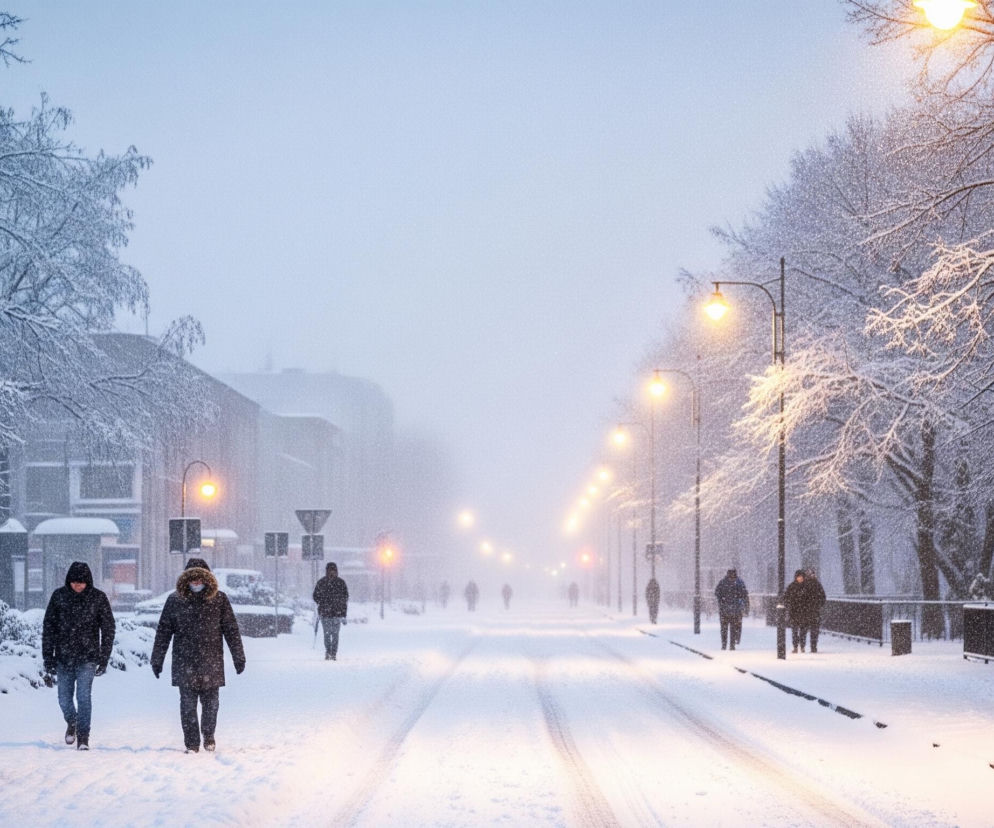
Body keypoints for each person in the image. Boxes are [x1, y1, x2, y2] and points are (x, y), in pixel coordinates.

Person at [150, 558, 246, 753]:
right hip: (184, 661)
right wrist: (157, 659)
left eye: (199, 579)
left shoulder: (219, 599)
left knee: (211, 704)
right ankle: (192, 743)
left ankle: (209, 735)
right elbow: (164, 632)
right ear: (186, 580)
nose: (196, 583)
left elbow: (231, 630)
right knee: (187, 705)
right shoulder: (175, 600)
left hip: (211, 661)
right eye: (192, 580)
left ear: (207, 579)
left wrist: (239, 657)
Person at [41, 561, 115, 751]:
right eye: (74, 582)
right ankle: (72, 722)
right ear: (69, 581)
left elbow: (108, 628)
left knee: (83, 697)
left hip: (88, 658)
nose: (78, 586)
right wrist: (48, 657)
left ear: (87, 582)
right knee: (63, 698)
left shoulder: (98, 598)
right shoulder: (59, 597)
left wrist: (104, 657)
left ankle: (83, 737)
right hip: (63, 657)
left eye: (81, 582)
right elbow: (49, 627)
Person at [784, 569, 827, 653]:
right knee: (801, 630)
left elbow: (819, 598)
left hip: (806, 611)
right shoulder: (806, 585)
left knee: (806, 630)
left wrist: (814, 605)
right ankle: (804, 646)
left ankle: (807, 646)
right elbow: (820, 597)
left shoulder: (808, 586)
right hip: (802, 611)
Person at [313, 562, 349, 661]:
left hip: (330, 613)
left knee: (332, 634)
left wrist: (322, 602)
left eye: (333, 570)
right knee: (330, 634)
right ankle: (330, 652)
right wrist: (342, 611)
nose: (332, 572)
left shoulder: (323, 582)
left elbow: (345, 597)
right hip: (330, 613)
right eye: (330, 570)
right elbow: (345, 598)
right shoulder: (340, 583)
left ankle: (332, 652)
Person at [714, 568, 749, 650]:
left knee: (724, 629)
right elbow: (744, 594)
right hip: (734, 610)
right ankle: (731, 645)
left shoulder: (723, 582)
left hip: (725, 610)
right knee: (733, 628)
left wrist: (722, 600)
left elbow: (717, 593)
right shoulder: (739, 582)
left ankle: (724, 645)